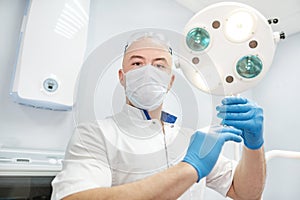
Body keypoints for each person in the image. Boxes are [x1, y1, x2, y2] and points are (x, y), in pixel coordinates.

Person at [51, 33, 266, 200]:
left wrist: (254, 145)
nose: (148, 72)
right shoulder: (94, 134)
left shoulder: (191, 139)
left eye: (159, 65)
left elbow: (246, 193)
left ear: (170, 81)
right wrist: (190, 168)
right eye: (137, 63)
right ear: (122, 77)